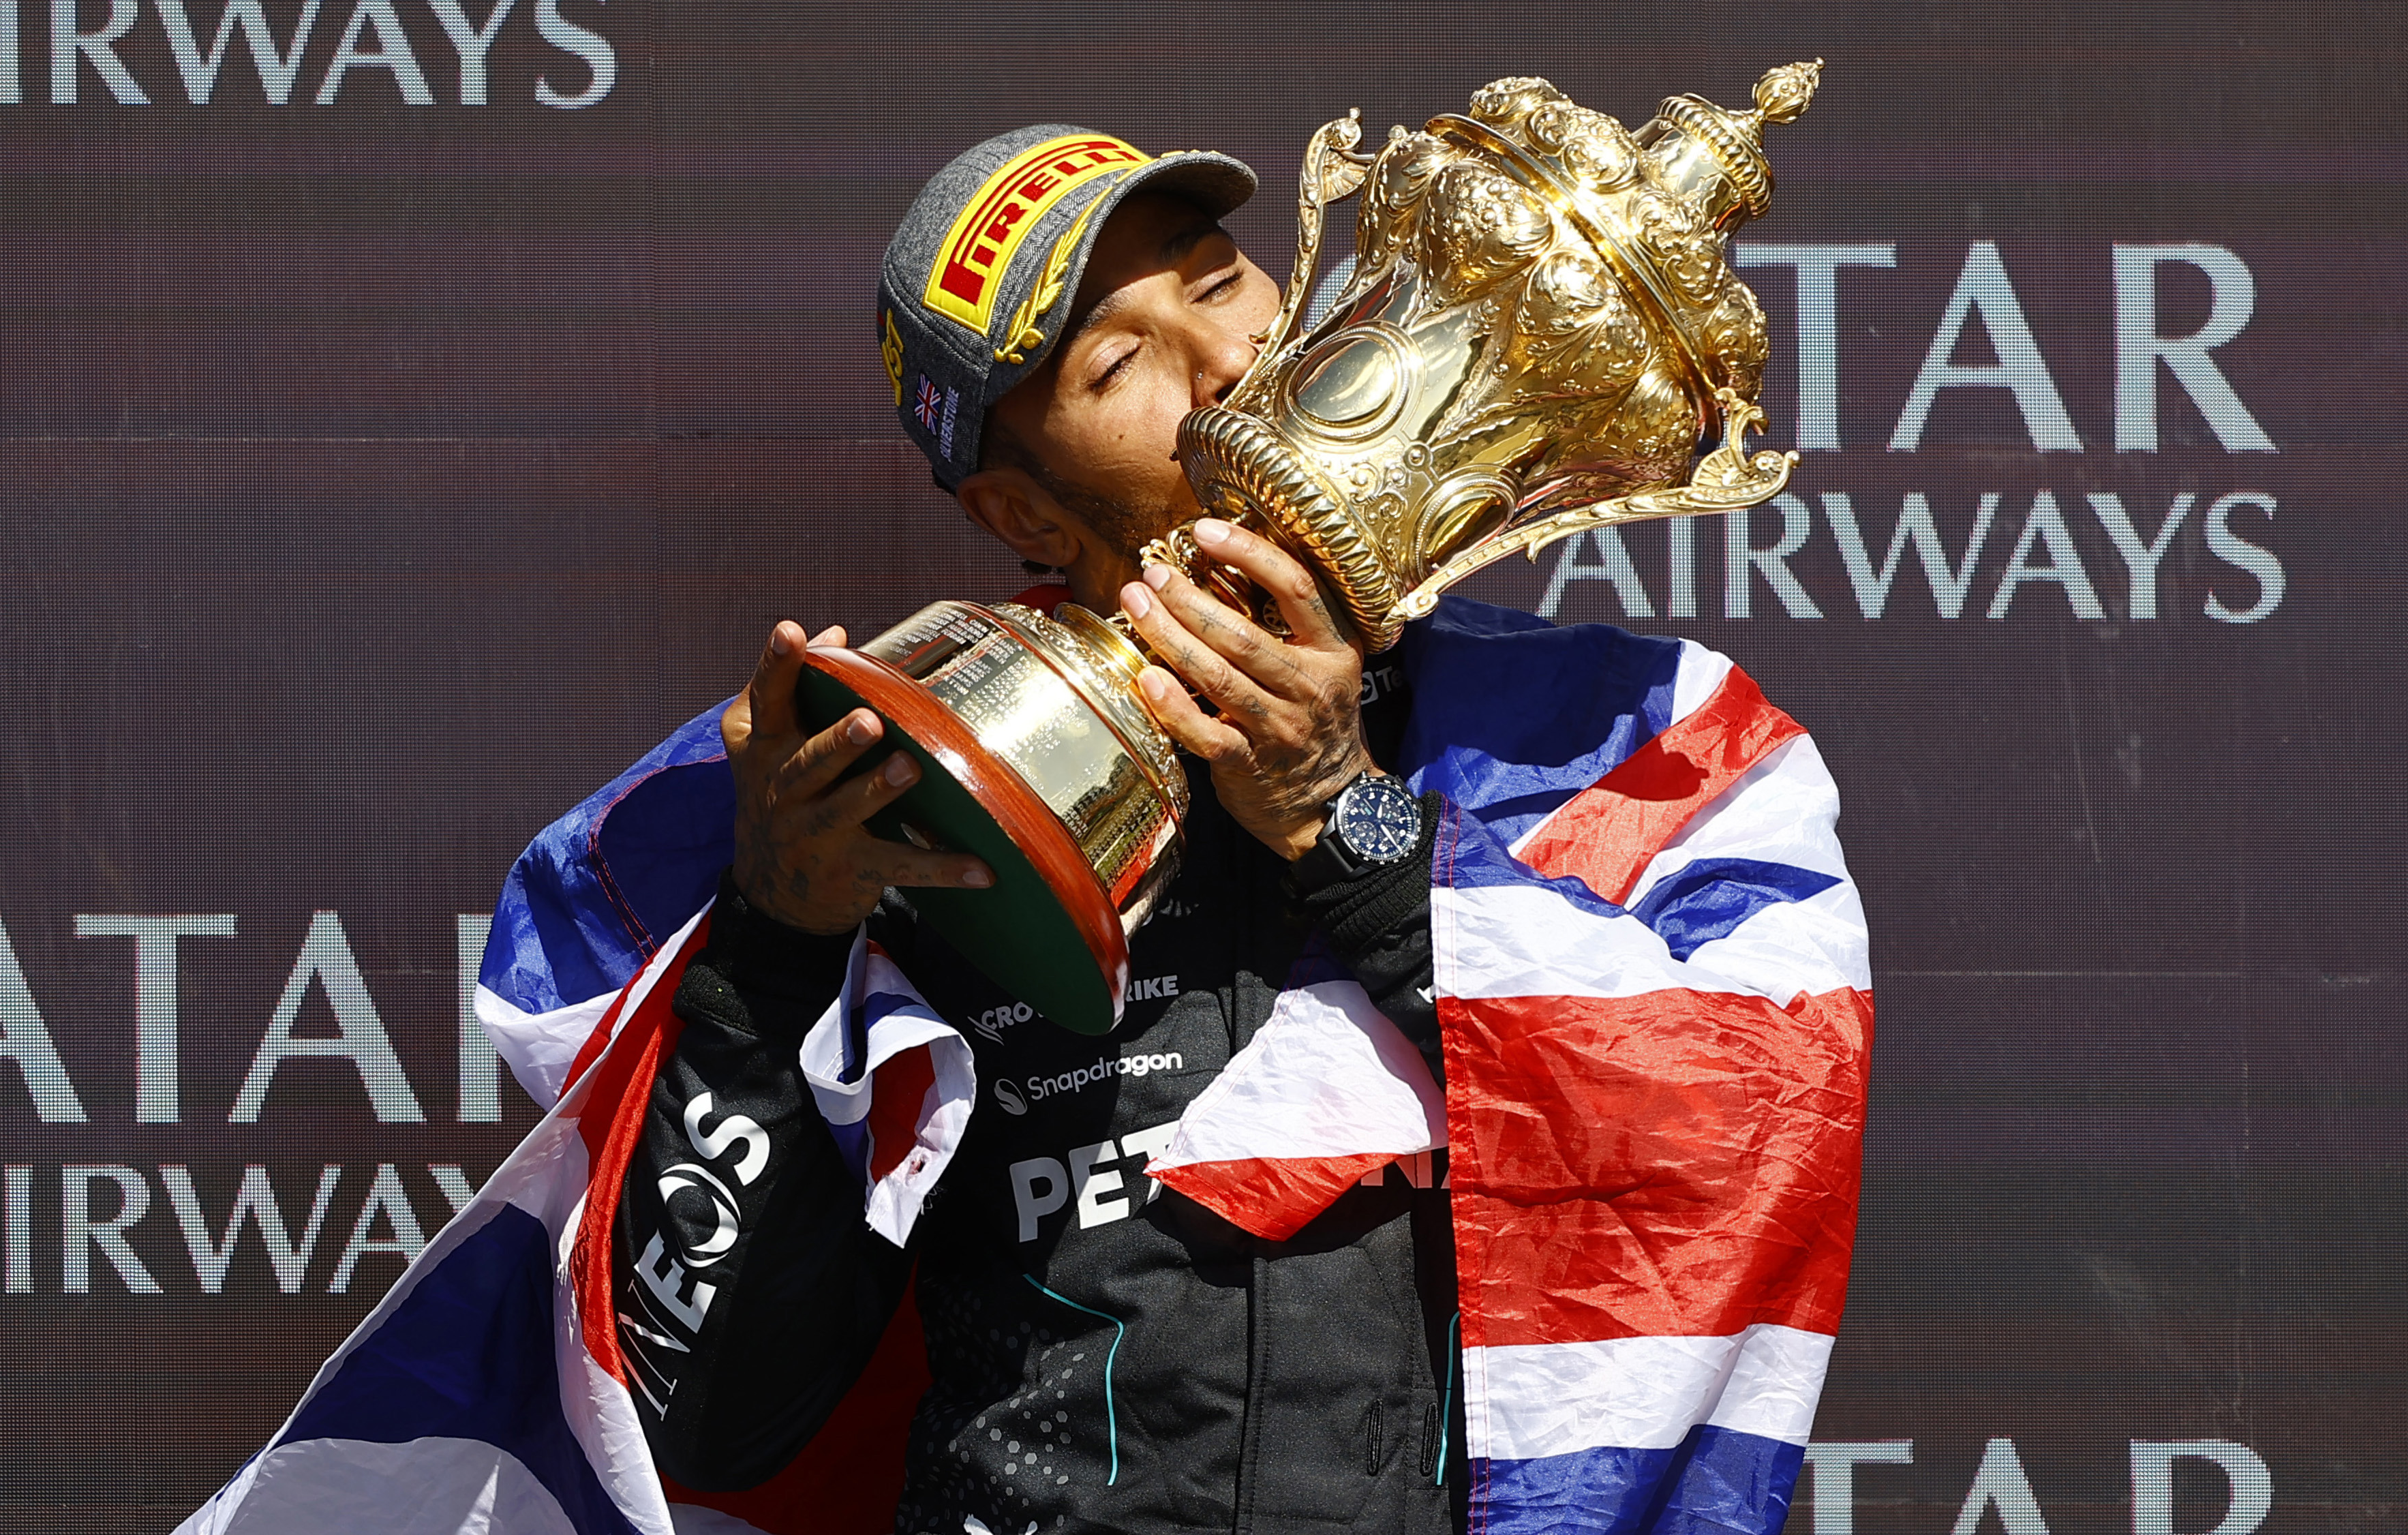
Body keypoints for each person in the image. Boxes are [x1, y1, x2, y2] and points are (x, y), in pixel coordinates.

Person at [479, 124, 1871, 1535]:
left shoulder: (1631, 744)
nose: (1225, 361)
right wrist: (776, 945)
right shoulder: (898, 805)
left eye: (1215, 283)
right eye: (1115, 365)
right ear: (1022, 509)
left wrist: (1346, 824)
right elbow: (705, 1416)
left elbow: (1748, 1155)